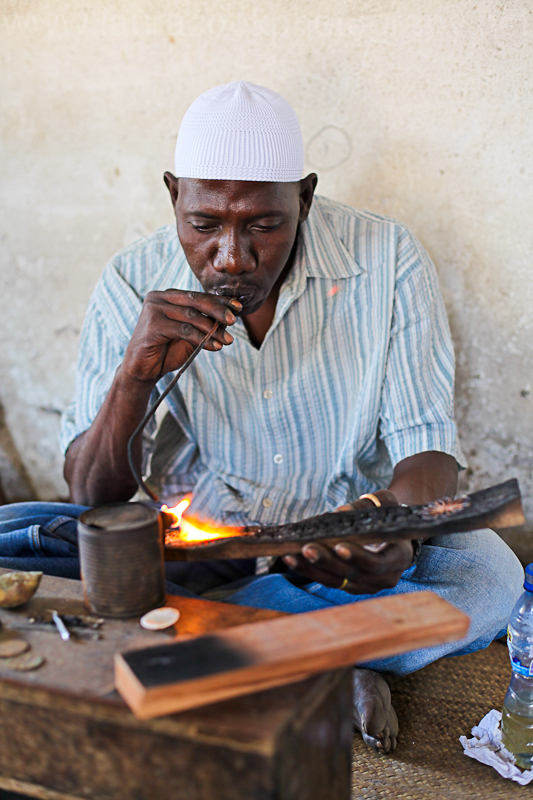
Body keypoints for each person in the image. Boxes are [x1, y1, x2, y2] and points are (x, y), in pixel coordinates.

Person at [0, 81, 523, 753]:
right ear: (173, 197)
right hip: (208, 541)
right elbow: (93, 495)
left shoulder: (386, 258)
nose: (231, 256)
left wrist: (395, 533)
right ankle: (334, 649)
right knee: (14, 531)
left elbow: (427, 450)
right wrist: (135, 376)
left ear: (302, 197)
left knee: (488, 578)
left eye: (263, 224)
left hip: (347, 532)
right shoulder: (134, 280)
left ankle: (212, 640)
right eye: (204, 225)